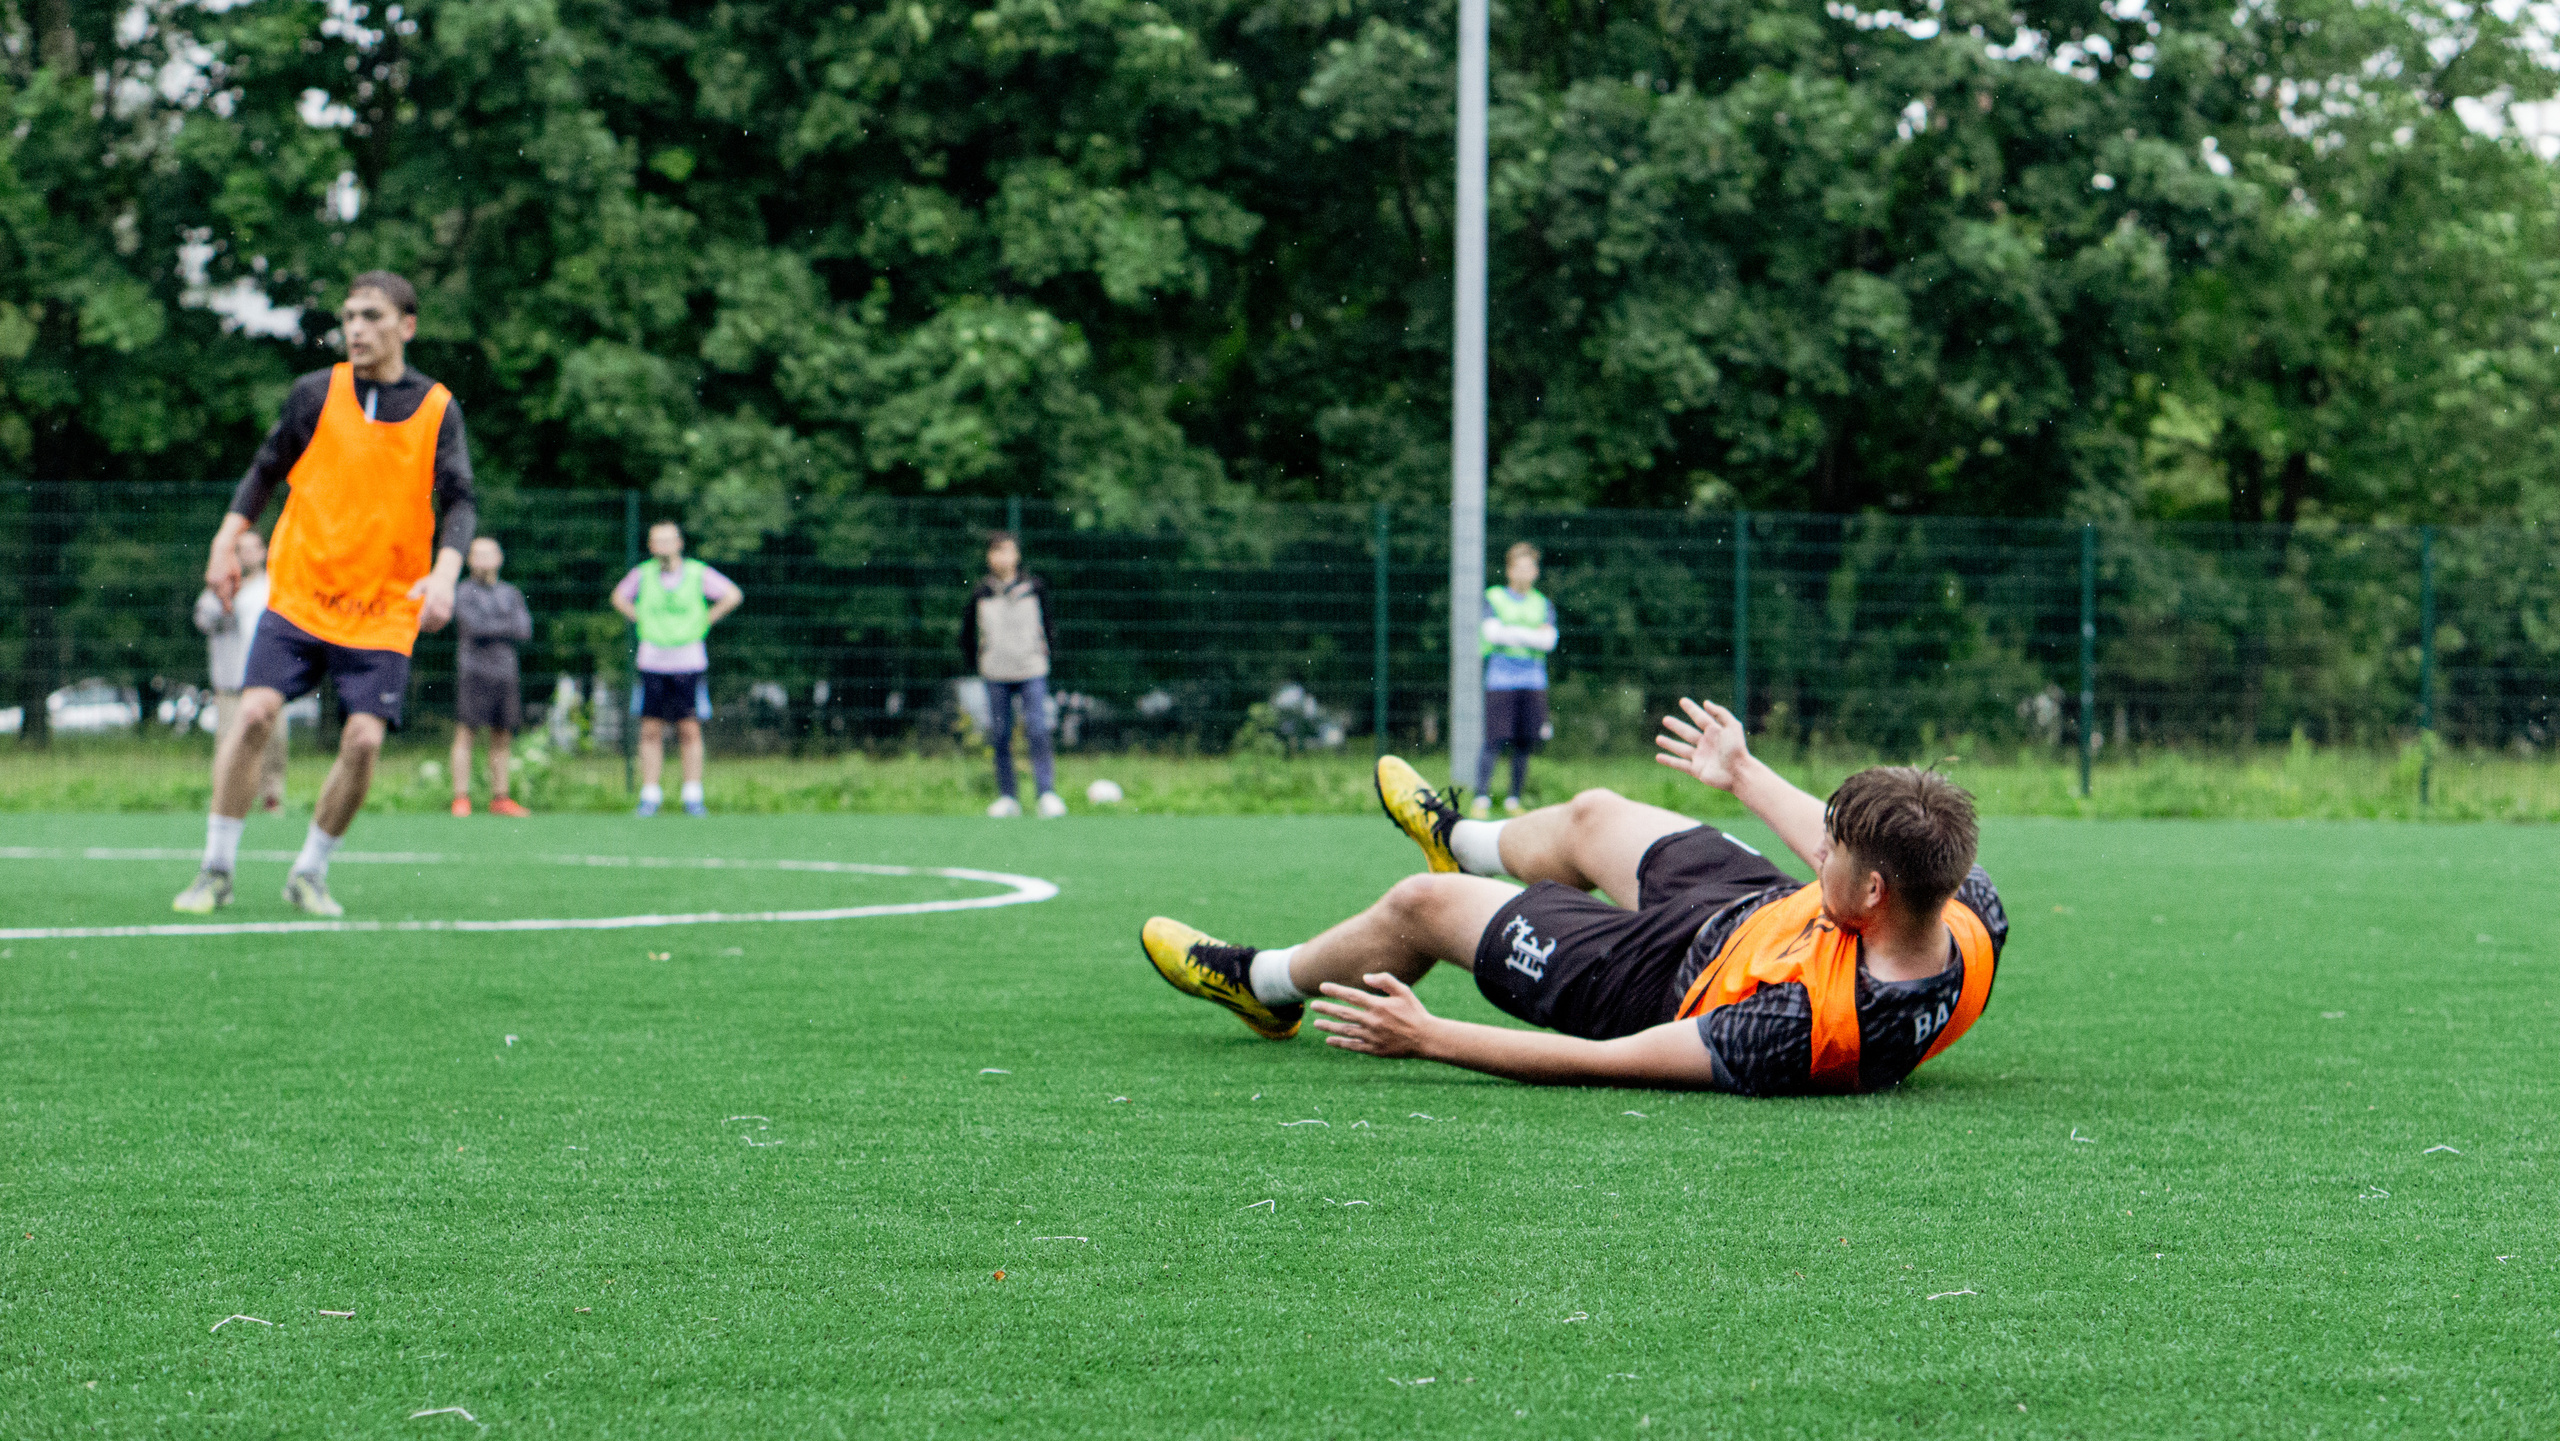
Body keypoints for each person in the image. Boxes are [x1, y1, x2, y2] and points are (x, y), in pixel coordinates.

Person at [1141, 700, 2009, 1096]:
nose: (1817, 847)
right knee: (1595, 812)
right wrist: (1741, 773)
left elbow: (1616, 1062)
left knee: (1421, 905)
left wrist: (1431, 1036)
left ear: (1869, 891)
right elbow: (1838, 857)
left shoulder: (1794, 1028)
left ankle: (1263, 985)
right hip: (1756, 914)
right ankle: (1463, 839)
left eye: (1834, 852)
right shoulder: (1967, 906)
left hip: (1661, 982)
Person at [173, 271, 475, 916]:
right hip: (302, 593)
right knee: (254, 713)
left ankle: (309, 871)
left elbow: (460, 502)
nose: (357, 329)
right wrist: (226, 539)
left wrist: (445, 572)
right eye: (349, 317)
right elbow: (265, 469)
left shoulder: (436, 408)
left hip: (385, 608)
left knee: (364, 739)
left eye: (371, 316)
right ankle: (216, 867)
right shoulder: (316, 393)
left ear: (407, 326)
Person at [610, 521, 742, 816]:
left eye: (669, 540)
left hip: (688, 662)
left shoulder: (697, 573)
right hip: (652, 662)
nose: (664, 546)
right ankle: (650, 795)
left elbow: (732, 594)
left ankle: (693, 795)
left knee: (689, 728)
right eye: (657, 541)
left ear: (679, 543)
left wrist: (705, 620)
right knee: (650, 729)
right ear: (651, 546)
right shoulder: (642, 575)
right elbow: (618, 597)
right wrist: (640, 618)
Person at [958, 530, 1065, 818]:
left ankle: (1046, 793)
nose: (1000, 557)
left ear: (1016, 555)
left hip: (1031, 669)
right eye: (995, 551)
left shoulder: (1035, 587)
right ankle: (1008, 797)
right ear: (988, 557)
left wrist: (1045, 656)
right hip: (995, 673)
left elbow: (1050, 626)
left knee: (1038, 729)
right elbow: (966, 634)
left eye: (1006, 550)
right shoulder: (980, 592)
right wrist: (980, 661)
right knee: (1000, 734)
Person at [191, 527, 288, 813]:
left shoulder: (275, 586)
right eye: (240, 548)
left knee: (275, 743)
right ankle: (224, 801)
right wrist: (226, 599)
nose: (246, 554)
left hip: (270, 679)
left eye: (252, 547)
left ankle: (271, 800)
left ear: (262, 552)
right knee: (229, 744)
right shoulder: (222, 585)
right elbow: (202, 620)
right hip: (233, 681)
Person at [450, 535, 533, 817]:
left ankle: (500, 798)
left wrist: (493, 625)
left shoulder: (511, 593)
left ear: (499, 559)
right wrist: (504, 624)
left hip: (506, 674)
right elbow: (474, 627)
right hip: (473, 672)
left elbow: (524, 630)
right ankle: (461, 798)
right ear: (470, 560)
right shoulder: (462, 591)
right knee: (466, 734)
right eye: (478, 554)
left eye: (489, 554)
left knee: (502, 737)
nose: (484, 560)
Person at [1474, 540, 1557, 817]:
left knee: (1524, 742)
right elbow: (1492, 634)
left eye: (1529, 567)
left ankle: (1513, 800)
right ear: (1509, 570)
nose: (1524, 573)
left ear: (1535, 572)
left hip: (1533, 682)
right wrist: (1531, 636)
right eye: (1518, 567)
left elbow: (1548, 641)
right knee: (1494, 740)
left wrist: (1513, 632)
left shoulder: (1542, 603)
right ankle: (1481, 798)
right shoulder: (1494, 597)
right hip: (1500, 681)